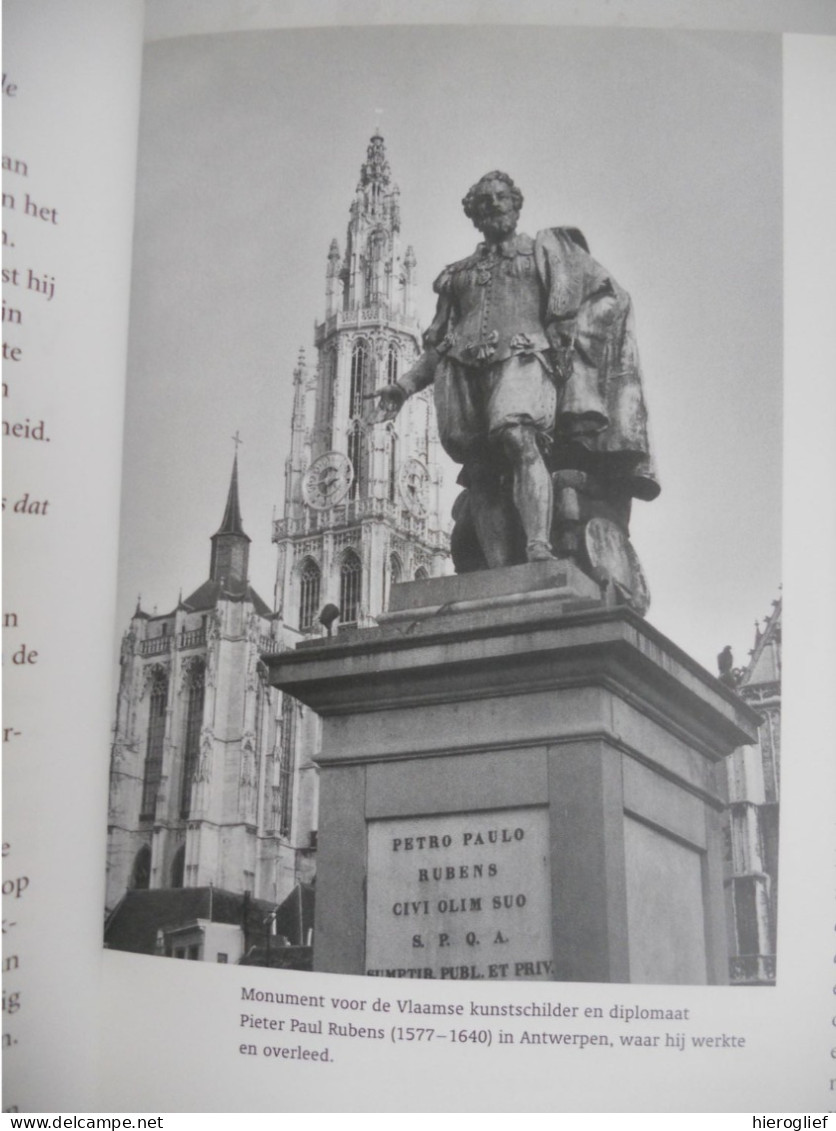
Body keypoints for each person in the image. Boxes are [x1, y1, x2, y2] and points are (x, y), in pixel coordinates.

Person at [373, 171, 659, 571]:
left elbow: (607, 295)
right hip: (463, 372)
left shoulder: (544, 252)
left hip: (526, 358)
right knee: (480, 470)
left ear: (515, 205)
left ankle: (538, 545)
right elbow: (439, 345)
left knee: (518, 435)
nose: (492, 204)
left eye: (500, 197)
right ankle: (499, 568)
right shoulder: (456, 275)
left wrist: (572, 341)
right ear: (472, 213)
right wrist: (403, 387)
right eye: (483, 200)